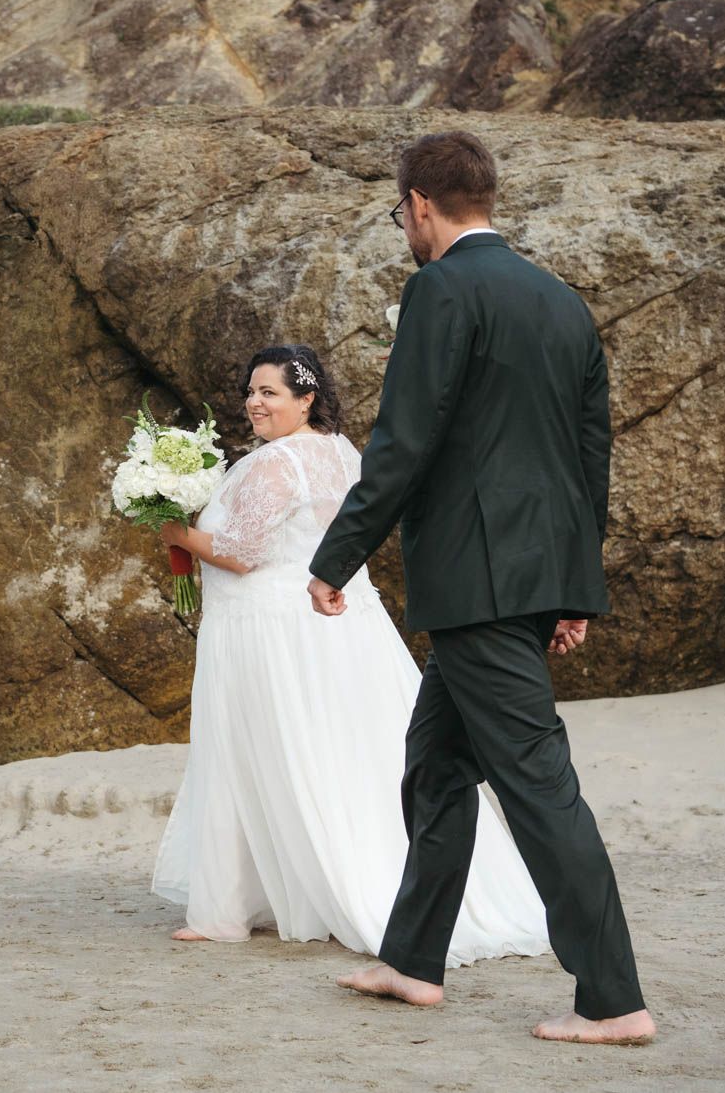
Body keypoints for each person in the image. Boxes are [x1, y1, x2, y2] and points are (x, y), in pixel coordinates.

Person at [307, 131, 656, 1045]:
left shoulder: (439, 290)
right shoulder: (564, 302)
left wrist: (335, 556)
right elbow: (591, 457)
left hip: (477, 578)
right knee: (435, 767)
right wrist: (575, 584)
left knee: (539, 786)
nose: (405, 230)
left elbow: (404, 442)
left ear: (421, 204)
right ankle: (412, 961)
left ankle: (614, 998)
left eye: (402, 215)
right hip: (527, 575)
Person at [148, 344, 551, 971]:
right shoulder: (340, 451)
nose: (254, 402)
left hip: (272, 628)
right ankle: (329, 885)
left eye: (269, 393)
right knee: (351, 751)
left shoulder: (276, 464)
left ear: (306, 399)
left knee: (252, 753)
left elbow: (239, 551)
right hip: (339, 627)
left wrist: (173, 530)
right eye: (250, 392)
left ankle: (230, 907)